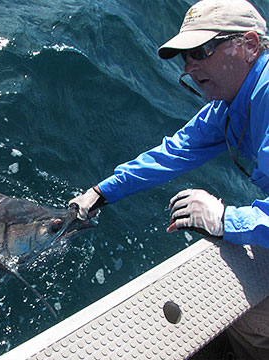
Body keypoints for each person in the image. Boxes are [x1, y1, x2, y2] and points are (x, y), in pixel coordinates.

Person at [69, 0, 269, 358]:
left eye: (201, 51)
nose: (191, 67)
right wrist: (100, 192)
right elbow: (174, 152)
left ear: (250, 45)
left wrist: (226, 219)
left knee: (252, 324)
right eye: (185, 57)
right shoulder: (230, 105)